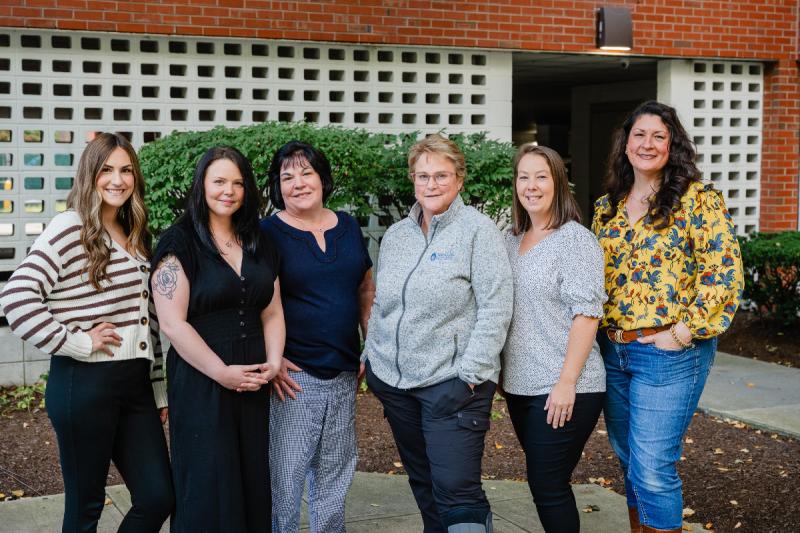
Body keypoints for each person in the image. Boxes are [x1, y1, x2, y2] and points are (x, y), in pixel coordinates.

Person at [0, 132, 173, 532]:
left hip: (135, 386)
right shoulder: (70, 226)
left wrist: (157, 388)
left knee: (158, 496)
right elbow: (16, 298)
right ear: (89, 173)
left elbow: (147, 317)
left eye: (126, 170)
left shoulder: (134, 232)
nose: (118, 180)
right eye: (106, 170)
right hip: (84, 383)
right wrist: (79, 341)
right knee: (86, 509)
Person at [592, 100, 744, 533]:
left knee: (653, 467)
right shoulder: (607, 207)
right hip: (614, 351)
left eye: (658, 136)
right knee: (629, 462)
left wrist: (682, 332)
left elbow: (724, 274)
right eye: (639, 135)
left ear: (672, 145)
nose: (647, 144)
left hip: (669, 352)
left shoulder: (697, 200)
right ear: (625, 144)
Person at [363, 134, 513, 533]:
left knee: (457, 493)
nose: (431, 184)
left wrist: (471, 374)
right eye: (423, 176)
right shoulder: (397, 236)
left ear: (459, 179)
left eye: (441, 175)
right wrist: (371, 358)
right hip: (397, 386)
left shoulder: (478, 231)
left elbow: (496, 307)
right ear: (412, 179)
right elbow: (383, 301)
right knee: (424, 483)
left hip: (452, 383)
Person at [150, 146, 285, 533]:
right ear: (201, 185)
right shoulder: (179, 242)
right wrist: (222, 373)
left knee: (250, 478)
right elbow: (172, 324)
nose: (229, 191)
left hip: (254, 380)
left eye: (238, 183)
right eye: (219, 181)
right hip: (202, 381)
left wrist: (274, 361)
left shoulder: (258, 240)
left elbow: (272, 311)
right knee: (208, 482)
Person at [262, 141, 375, 532]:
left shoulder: (347, 226)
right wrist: (272, 358)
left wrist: (369, 345)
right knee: (286, 476)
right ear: (278, 187)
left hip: (343, 370)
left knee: (334, 473)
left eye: (306, 173)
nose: (298, 183)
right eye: (287, 177)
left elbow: (365, 287)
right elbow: (254, 301)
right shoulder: (267, 233)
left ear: (322, 178)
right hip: (293, 376)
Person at [500, 144, 606, 533]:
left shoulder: (574, 240)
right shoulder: (511, 239)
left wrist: (566, 383)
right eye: (523, 177)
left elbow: (587, 315)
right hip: (520, 386)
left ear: (558, 183)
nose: (531, 186)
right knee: (545, 482)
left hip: (564, 386)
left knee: (548, 484)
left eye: (541, 177)